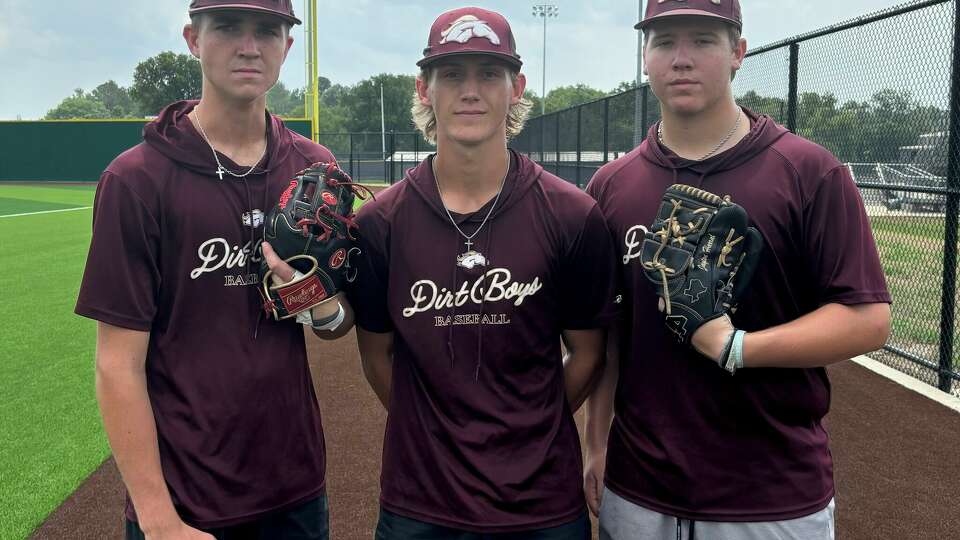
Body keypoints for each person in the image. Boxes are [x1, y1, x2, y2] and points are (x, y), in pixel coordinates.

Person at [584, 1, 892, 539]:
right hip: (638, 489)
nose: (681, 59)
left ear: (738, 53)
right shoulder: (612, 186)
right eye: (664, 41)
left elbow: (867, 318)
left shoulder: (808, 172)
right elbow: (611, 335)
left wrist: (737, 347)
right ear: (645, 57)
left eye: (702, 40)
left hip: (771, 495)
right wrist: (595, 441)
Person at [75, 1, 351, 538]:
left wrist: (314, 301)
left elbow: (338, 325)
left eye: (268, 30)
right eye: (227, 27)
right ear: (193, 39)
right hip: (185, 502)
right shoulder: (137, 180)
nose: (249, 46)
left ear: (287, 47)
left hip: (295, 489)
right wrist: (157, 518)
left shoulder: (314, 169)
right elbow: (116, 365)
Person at [348, 6, 619, 538]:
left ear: (516, 87)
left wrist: (528, 426)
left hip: (541, 502)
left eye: (489, 74)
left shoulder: (571, 215)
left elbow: (588, 351)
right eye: (452, 75)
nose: (470, 91)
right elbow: (376, 355)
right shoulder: (380, 223)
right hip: (419, 502)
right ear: (425, 88)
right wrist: (438, 434)